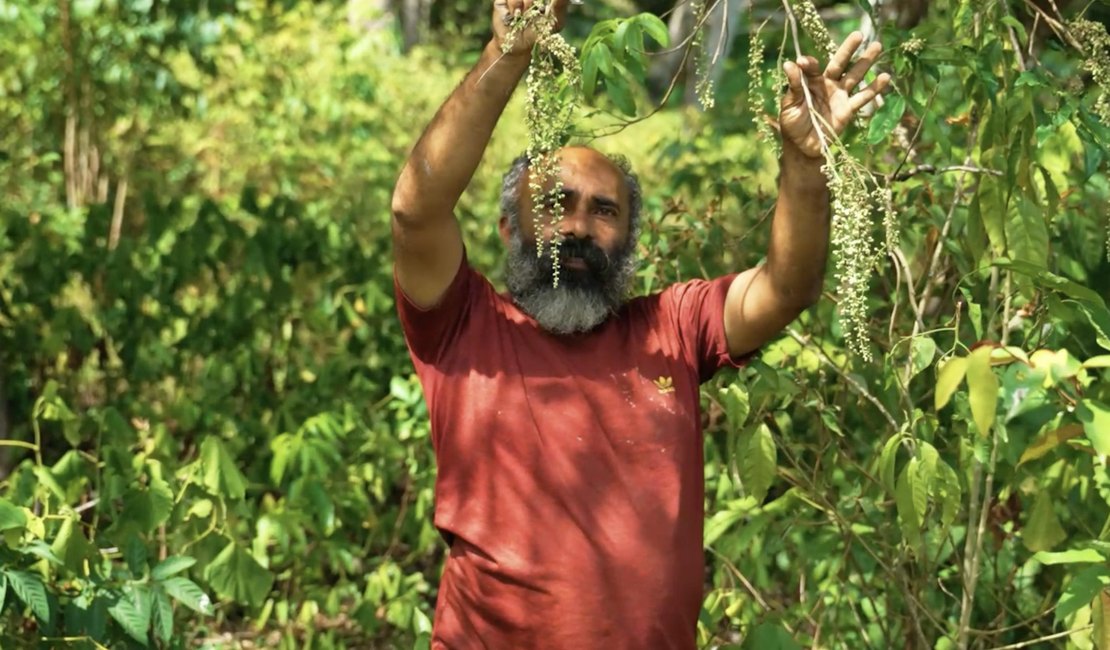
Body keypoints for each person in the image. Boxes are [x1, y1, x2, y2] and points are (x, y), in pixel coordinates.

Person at [390, 0, 891, 647]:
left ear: (629, 239)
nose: (576, 227)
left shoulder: (673, 328)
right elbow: (414, 210)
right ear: (508, 227)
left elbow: (784, 289)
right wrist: (509, 53)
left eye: (604, 212)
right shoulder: (463, 327)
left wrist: (805, 163)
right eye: (554, 204)